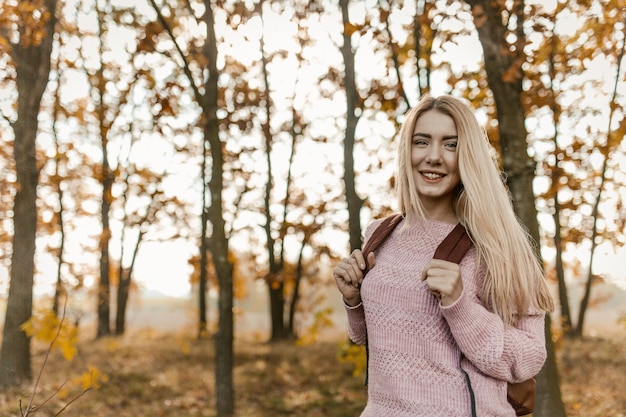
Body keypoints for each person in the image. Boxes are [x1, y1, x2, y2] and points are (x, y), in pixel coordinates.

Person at [333, 94, 554, 417]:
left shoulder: (496, 244)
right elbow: (376, 339)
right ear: (406, 151)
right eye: (421, 142)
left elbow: (529, 357)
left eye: (450, 145)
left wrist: (460, 306)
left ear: (468, 155)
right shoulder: (380, 234)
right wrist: (354, 300)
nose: (434, 157)